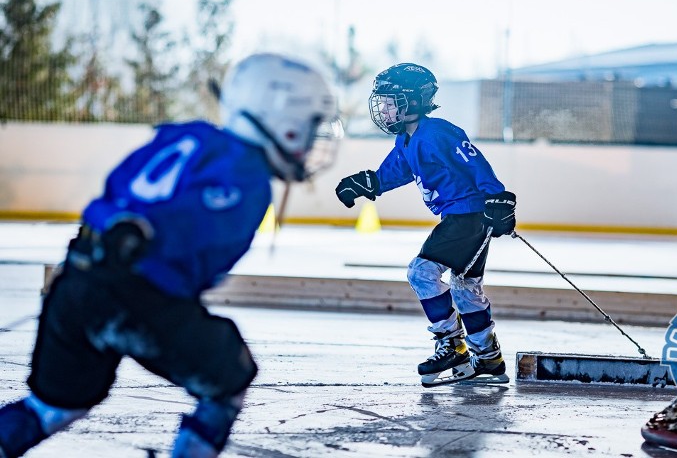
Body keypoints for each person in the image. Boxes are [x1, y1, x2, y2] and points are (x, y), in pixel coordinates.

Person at [0, 53, 339, 458]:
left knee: (55, 405)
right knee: (230, 379)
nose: (313, 139)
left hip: (77, 280)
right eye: (311, 125)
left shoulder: (185, 137)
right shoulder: (247, 174)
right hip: (141, 298)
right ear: (285, 121)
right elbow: (186, 226)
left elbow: (115, 196)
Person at [335, 63, 516, 387]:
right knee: (464, 287)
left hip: (469, 216)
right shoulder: (407, 141)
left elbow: (474, 162)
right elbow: (394, 172)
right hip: (461, 218)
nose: (385, 109)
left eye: (392, 101)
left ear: (413, 101)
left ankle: (452, 344)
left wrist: (497, 198)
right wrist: (366, 183)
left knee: (421, 272)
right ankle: (487, 356)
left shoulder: (438, 133)